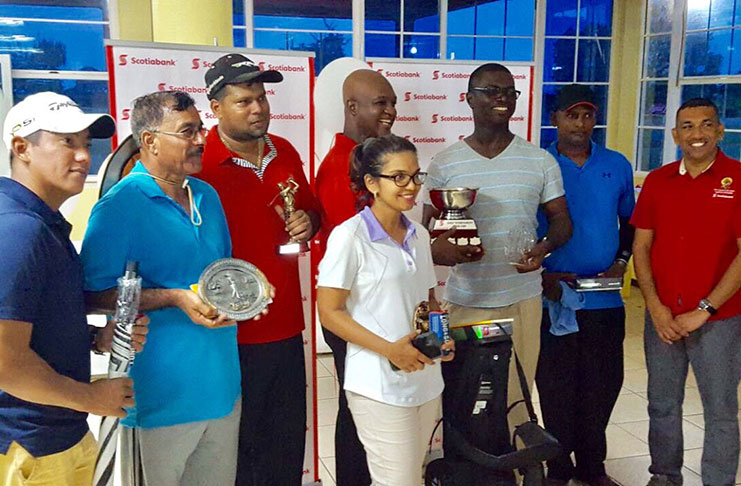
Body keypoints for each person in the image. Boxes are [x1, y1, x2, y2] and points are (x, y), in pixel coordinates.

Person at [81, 91, 242, 486]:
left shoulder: (206, 196)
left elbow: (220, 273)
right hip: (158, 400)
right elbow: (91, 295)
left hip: (221, 389)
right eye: (187, 132)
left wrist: (247, 290)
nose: (201, 140)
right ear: (150, 141)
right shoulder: (119, 207)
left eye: (200, 129)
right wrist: (172, 297)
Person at [0, 92, 148, 486]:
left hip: (56, 433)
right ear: (22, 148)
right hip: (28, 446)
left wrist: (96, 339)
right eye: (67, 142)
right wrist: (92, 398)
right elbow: (5, 363)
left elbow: (35, 322)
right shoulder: (18, 229)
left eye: (86, 143)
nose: (84, 156)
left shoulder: (42, 223)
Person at [421, 62, 572, 434]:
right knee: (463, 398)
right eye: (491, 91)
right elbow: (425, 231)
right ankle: (463, 462)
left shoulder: (539, 160)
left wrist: (543, 248)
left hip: (522, 300)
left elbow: (562, 221)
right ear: (469, 99)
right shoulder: (445, 162)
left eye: (509, 92)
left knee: (515, 401)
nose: (502, 98)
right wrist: (441, 249)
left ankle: (517, 462)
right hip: (466, 301)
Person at [199, 53, 321, 486]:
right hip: (227, 333)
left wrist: (308, 221)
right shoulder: (198, 163)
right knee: (238, 448)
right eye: (244, 101)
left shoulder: (284, 151)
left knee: (285, 442)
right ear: (216, 108)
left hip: (286, 323)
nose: (258, 109)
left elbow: (312, 210)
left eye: (262, 98)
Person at [317, 134, 455, 486]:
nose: (411, 186)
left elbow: (428, 300)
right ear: (371, 183)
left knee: (412, 476)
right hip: (377, 385)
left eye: (415, 176)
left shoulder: (419, 234)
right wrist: (390, 350)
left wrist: (441, 336)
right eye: (399, 177)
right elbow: (329, 312)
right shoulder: (350, 237)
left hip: (424, 379)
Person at [631, 98, 741, 486]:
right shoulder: (658, 181)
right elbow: (641, 247)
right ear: (676, 135)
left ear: (720, 131)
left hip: (720, 320)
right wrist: (655, 308)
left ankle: (718, 481)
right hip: (663, 317)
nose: (697, 134)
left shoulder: (738, 179)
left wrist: (705, 309)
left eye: (706, 124)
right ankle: (664, 476)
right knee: (662, 404)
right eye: (688, 126)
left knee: (721, 410)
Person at [534, 84, 635, 486]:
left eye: (588, 115)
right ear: (555, 118)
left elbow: (631, 222)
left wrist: (621, 262)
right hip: (554, 299)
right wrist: (540, 275)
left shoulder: (617, 164)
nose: (580, 123)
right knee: (556, 388)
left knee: (602, 386)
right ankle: (559, 467)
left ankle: (593, 467)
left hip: (604, 301)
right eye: (571, 115)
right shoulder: (539, 164)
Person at [314, 68, 398, 486]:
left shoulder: (366, 160)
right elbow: (364, 246)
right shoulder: (340, 167)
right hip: (353, 312)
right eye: (381, 103)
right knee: (358, 409)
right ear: (351, 107)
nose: (391, 111)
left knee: (366, 407)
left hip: (373, 309)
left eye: (393, 103)